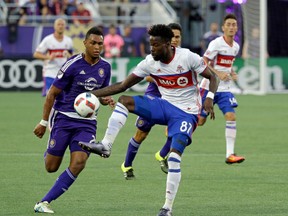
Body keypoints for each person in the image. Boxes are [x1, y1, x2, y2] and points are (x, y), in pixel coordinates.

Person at [79, 24, 219, 216]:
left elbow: (213, 77)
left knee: (175, 156)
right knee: (124, 101)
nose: (151, 49)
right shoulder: (150, 62)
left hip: (186, 113)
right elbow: (122, 85)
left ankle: (167, 208)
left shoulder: (187, 57)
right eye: (150, 44)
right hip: (164, 106)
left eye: (155, 45)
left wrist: (209, 98)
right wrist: (90, 94)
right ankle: (106, 145)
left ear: (168, 44)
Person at [33, 27, 115, 213]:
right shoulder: (72, 64)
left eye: (100, 43)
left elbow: (101, 93)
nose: (96, 47)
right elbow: (52, 93)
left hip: (87, 123)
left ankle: (44, 202)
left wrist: (105, 99)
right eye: (93, 43)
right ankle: (53, 147)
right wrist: (44, 122)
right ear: (85, 43)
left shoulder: (105, 68)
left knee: (79, 163)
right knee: (51, 167)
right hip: (63, 118)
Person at [120, 23, 183, 180]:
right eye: (173, 36)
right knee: (141, 134)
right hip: (154, 97)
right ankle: (127, 164)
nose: (175, 40)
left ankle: (162, 155)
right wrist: (165, 79)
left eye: (178, 37)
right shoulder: (156, 56)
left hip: (174, 100)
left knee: (178, 130)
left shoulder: (183, 57)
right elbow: (147, 76)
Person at [198, 14, 245, 164]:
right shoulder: (216, 44)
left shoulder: (236, 47)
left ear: (236, 28)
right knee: (199, 121)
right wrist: (218, 73)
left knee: (231, 116)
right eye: (229, 24)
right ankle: (173, 131)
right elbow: (203, 61)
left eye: (234, 25)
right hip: (208, 87)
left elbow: (227, 65)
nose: (231, 27)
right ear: (223, 27)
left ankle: (230, 154)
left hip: (224, 89)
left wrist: (231, 72)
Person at [33, 18, 73, 96]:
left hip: (63, 73)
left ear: (65, 27)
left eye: (62, 25)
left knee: (63, 97)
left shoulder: (68, 41)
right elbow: (36, 54)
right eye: (58, 24)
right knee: (50, 97)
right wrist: (48, 57)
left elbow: (72, 56)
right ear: (54, 26)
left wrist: (69, 56)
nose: (60, 26)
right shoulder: (48, 40)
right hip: (50, 72)